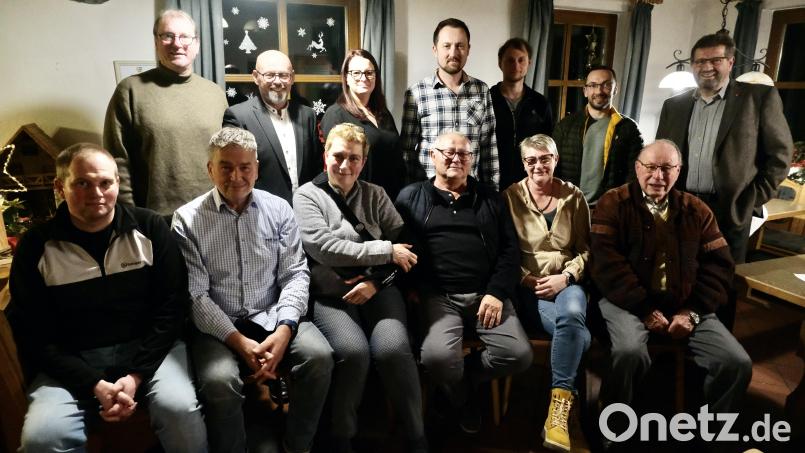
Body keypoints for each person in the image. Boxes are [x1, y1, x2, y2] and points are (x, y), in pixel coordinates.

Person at [8, 144, 206, 452]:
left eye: (105, 183)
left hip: (148, 351)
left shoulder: (151, 228)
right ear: (61, 187)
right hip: (72, 359)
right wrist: (93, 383)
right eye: (82, 183)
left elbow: (172, 308)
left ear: (117, 184)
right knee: (42, 437)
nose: (96, 193)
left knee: (180, 409)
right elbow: (33, 333)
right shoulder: (35, 247)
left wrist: (137, 375)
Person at [172, 127, 333, 453]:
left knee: (319, 357)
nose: (236, 176)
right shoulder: (186, 220)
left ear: (257, 168)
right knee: (219, 381)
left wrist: (286, 329)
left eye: (245, 166)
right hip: (218, 324)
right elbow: (196, 296)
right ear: (210, 169)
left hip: (273, 313)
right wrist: (239, 342)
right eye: (226, 166)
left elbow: (295, 274)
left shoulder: (279, 210)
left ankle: (297, 445)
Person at [590, 140, 752, 419]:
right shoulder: (613, 202)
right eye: (651, 167)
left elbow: (720, 266)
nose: (658, 176)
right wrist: (644, 310)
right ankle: (613, 424)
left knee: (736, 362)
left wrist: (692, 312)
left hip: (687, 305)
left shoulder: (697, 209)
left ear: (679, 171)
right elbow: (606, 265)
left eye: (667, 168)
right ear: (637, 168)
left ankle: (715, 429)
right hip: (627, 304)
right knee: (629, 353)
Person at [293, 123, 426, 453]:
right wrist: (384, 251)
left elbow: (404, 243)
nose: (345, 165)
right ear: (325, 157)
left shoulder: (375, 194)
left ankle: (416, 435)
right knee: (353, 352)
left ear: (363, 161)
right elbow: (322, 247)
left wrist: (375, 281)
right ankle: (343, 436)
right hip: (332, 294)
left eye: (354, 158)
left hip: (379, 287)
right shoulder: (306, 195)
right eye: (338, 156)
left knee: (392, 348)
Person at [395, 131, 532, 433]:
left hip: (487, 294)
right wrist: (413, 290)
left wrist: (496, 292)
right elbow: (400, 250)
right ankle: (462, 397)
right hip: (439, 296)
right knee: (437, 358)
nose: (456, 158)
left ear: (471, 160)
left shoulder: (490, 198)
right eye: (449, 152)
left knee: (519, 354)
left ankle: (463, 379)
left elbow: (511, 251)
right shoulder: (411, 197)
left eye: (464, 154)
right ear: (433, 156)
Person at [656, 33, 793, 265]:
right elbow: (661, 154)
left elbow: (780, 156)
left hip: (729, 210)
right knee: (678, 275)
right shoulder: (673, 105)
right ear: (692, 65)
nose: (707, 67)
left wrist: (750, 200)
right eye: (700, 61)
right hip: (681, 207)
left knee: (720, 283)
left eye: (715, 60)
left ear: (730, 63)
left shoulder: (757, 98)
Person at [502, 134, 590, 452]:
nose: (538, 165)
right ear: (523, 163)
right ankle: (571, 408)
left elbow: (586, 249)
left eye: (545, 158)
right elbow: (503, 251)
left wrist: (567, 276)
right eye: (531, 160)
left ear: (555, 159)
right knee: (580, 336)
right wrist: (526, 279)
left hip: (567, 284)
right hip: (531, 288)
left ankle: (556, 413)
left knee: (572, 315)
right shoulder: (510, 197)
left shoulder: (573, 196)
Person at [104, 9, 228, 217]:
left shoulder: (215, 94)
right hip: (156, 219)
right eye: (167, 36)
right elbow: (117, 160)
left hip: (213, 214)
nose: (177, 44)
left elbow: (226, 156)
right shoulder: (130, 90)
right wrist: (130, 215)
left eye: (184, 37)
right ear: (156, 42)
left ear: (196, 45)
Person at [400, 18, 499, 190]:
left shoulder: (481, 90)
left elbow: (489, 147)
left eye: (460, 46)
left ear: (468, 50)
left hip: (470, 192)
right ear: (435, 49)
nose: (453, 52)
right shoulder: (416, 93)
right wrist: (411, 194)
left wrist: (493, 193)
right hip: (429, 193)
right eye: (447, 45)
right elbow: (406, 151)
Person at [223, 50, 322, 204]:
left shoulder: (307, 115)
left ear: (292, 78)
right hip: (261, 212)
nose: (277, 81)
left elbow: (316, 167)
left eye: (283, 75)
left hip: (305, 211)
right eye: (269, 75)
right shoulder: (238, 117)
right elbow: (235, 173)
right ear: (256, 77)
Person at [320, 49, 406, 200]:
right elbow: (336, 170)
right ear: (346, 77)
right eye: (356, 73)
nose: (363, 77)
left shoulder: (382, 113)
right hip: (359, 202)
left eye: (369, 73)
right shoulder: (335, 115)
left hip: (390, 200)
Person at [553, 65, 643, 205]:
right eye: (593, 85)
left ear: (615, 89)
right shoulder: (565, 126)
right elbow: (553, 169)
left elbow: (635, 174)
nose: (599, 91)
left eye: (606, 85)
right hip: (569, 206)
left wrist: (619, 205)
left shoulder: (629, 129)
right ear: (585, 91)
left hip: (609, 210)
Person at [491, 38, 553, 192]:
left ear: (529, 63)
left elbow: (548, 145)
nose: (516, 65)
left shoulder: (541, 103)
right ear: (500, 63)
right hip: (493, 183)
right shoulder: (487, 99)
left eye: (521, 60)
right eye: (510, 60)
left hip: (530, 184)